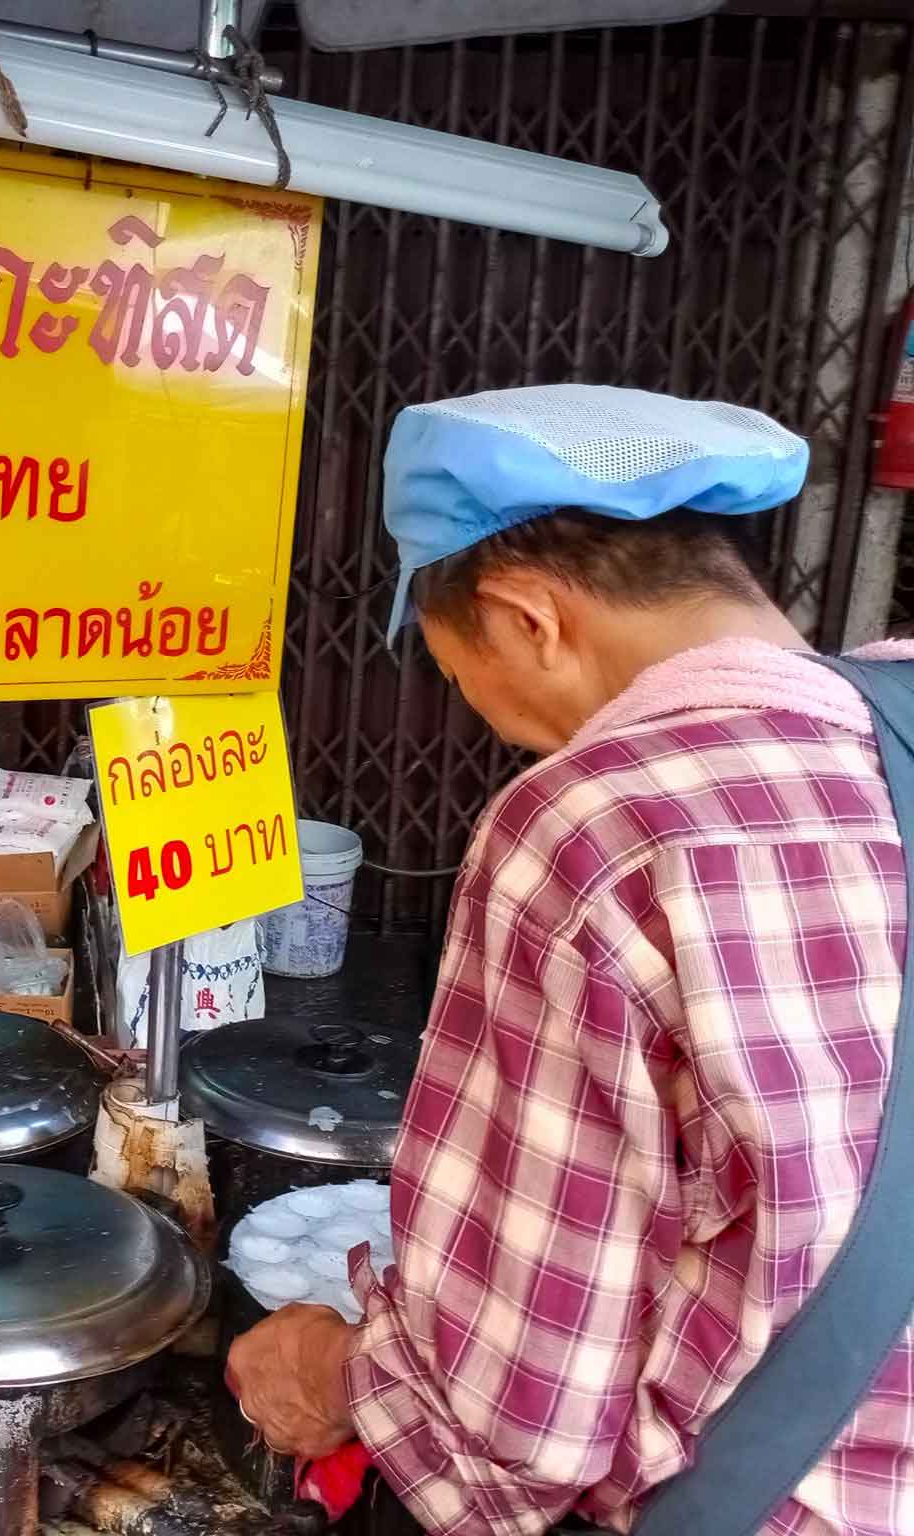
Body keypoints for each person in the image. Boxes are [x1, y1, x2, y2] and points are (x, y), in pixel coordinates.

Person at [225, 385, 914, 1535]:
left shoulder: (597, 825)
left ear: (525, 617)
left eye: (458, 675)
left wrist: (336, 1376)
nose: (490, 722)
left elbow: (522, 1414)